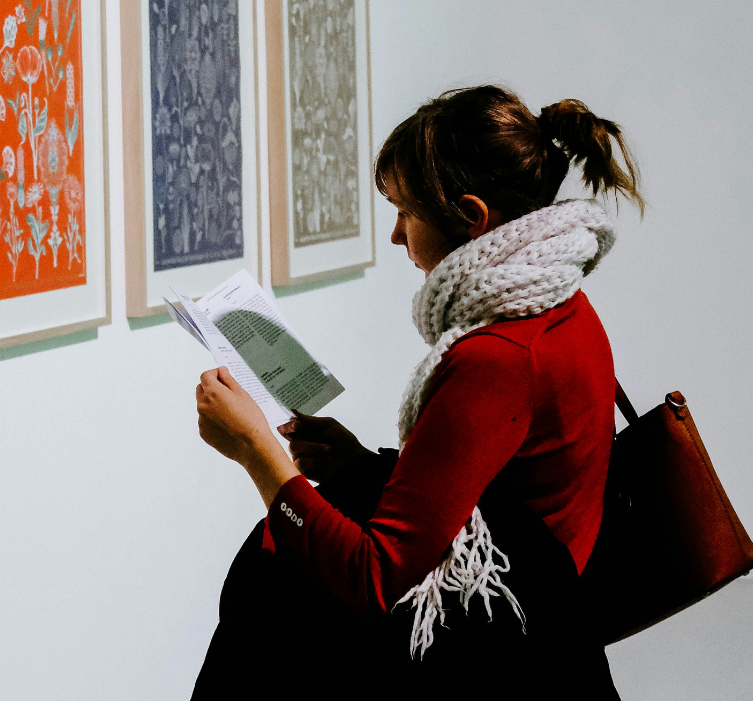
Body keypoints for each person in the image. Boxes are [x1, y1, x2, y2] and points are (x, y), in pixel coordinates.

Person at [191, 86, 642, 700]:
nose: (399, 235)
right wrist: (358, 464)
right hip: (551, 598)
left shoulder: (496, 356)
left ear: (471, 217)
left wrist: (256, 453)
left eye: (406, 210)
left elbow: (375, 577)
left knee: (266, 589)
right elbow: (495, 478)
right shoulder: (558, 302)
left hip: (509, 634)